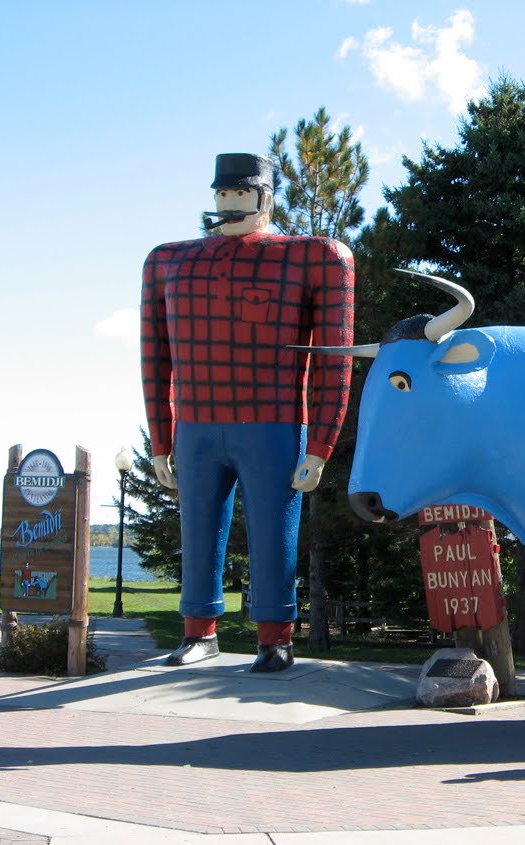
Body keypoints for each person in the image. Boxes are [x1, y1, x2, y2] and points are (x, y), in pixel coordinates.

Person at [141, 153, 353, 672]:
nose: (229, 205)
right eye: (222, 195)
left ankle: (275, 637)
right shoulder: (167, 261)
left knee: (272, 530)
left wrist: (321, 445)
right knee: (198, 530)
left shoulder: (315, 257)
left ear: (266, 199)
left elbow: (335, 359)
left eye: (240, 195)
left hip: (274, 421)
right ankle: (199, 631)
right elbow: (154, 355)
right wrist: (161, 441)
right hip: (195, 422)